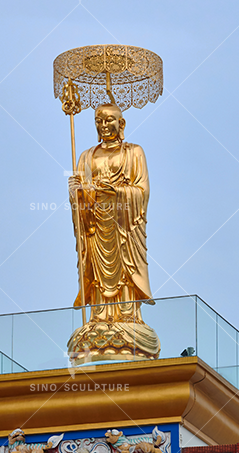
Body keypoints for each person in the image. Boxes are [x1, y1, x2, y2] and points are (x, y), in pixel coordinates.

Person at [67, 103, 160, 364]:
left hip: (124, 225)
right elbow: (82, 196)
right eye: (99, 121)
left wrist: (117, 192)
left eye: (109, 120)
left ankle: (127, 317)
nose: (104, 126)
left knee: (124, 267)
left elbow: (142, 191)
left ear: (122, 124)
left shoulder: (134, 153)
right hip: (96, 225)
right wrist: (77, 193)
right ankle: (100, 318)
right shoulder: (86, 155)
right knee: (96, 270)